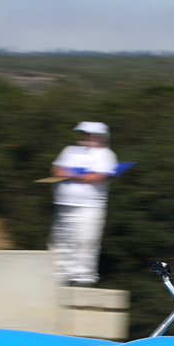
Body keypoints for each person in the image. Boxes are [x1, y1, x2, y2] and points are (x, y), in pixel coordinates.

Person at [49, 121, 118, 286]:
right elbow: (56, 170)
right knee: (60, 241)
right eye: (83, 134)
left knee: (85, 241)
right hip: (64, 204)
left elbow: (97, 177)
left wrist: (70, 173)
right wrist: (81, 174)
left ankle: (83, 278)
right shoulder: (69, 151)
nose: (85, 137)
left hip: (89, 207)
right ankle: (59, 276)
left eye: (88, 134)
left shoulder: (106, 154)